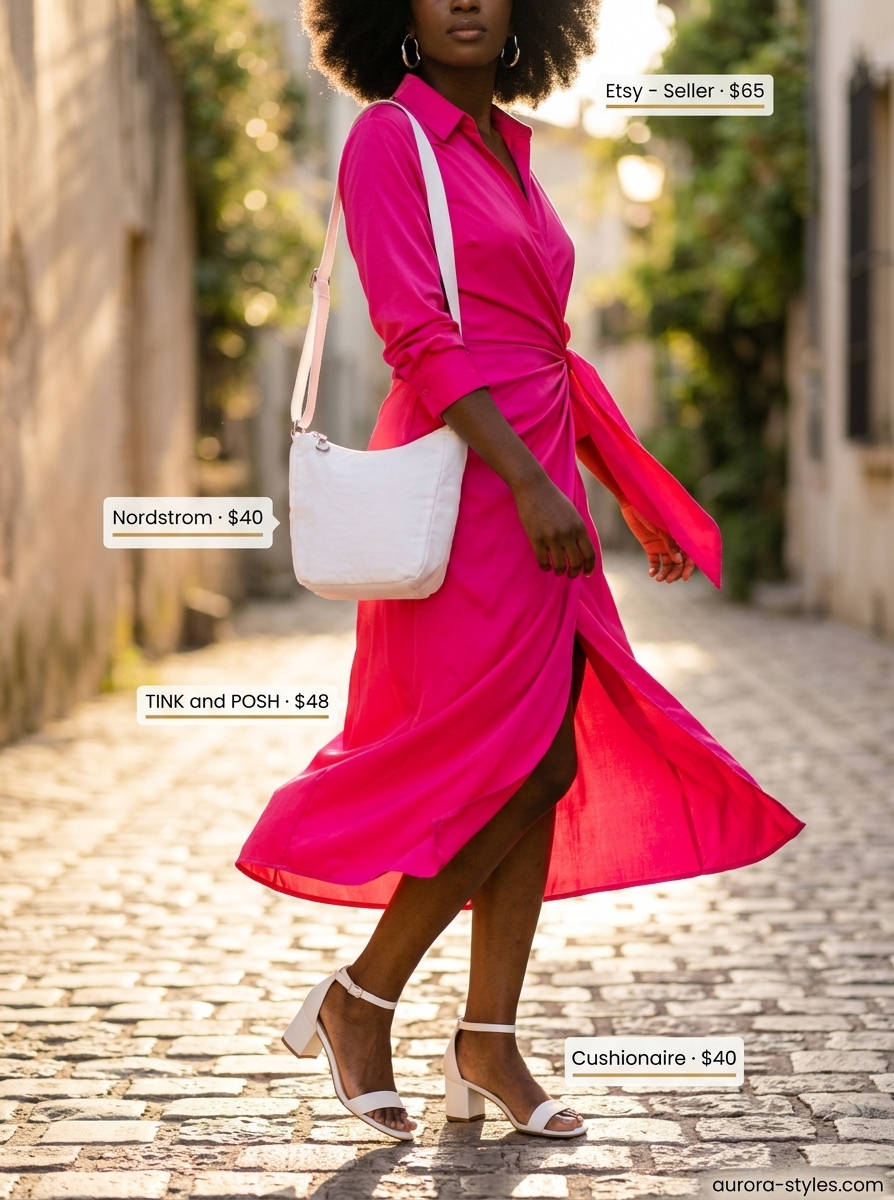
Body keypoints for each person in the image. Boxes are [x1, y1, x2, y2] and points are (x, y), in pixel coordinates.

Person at [237, 0, 804, 1141]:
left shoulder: (511, 149)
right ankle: (364, 996)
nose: (462, 1)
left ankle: (485, 1040)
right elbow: (416, 333)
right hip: (468, 481)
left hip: (536, 469)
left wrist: (611, 485)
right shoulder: (390, 139)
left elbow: (545, 345)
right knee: (510, 758)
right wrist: (538, 486)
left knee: (541, 755)